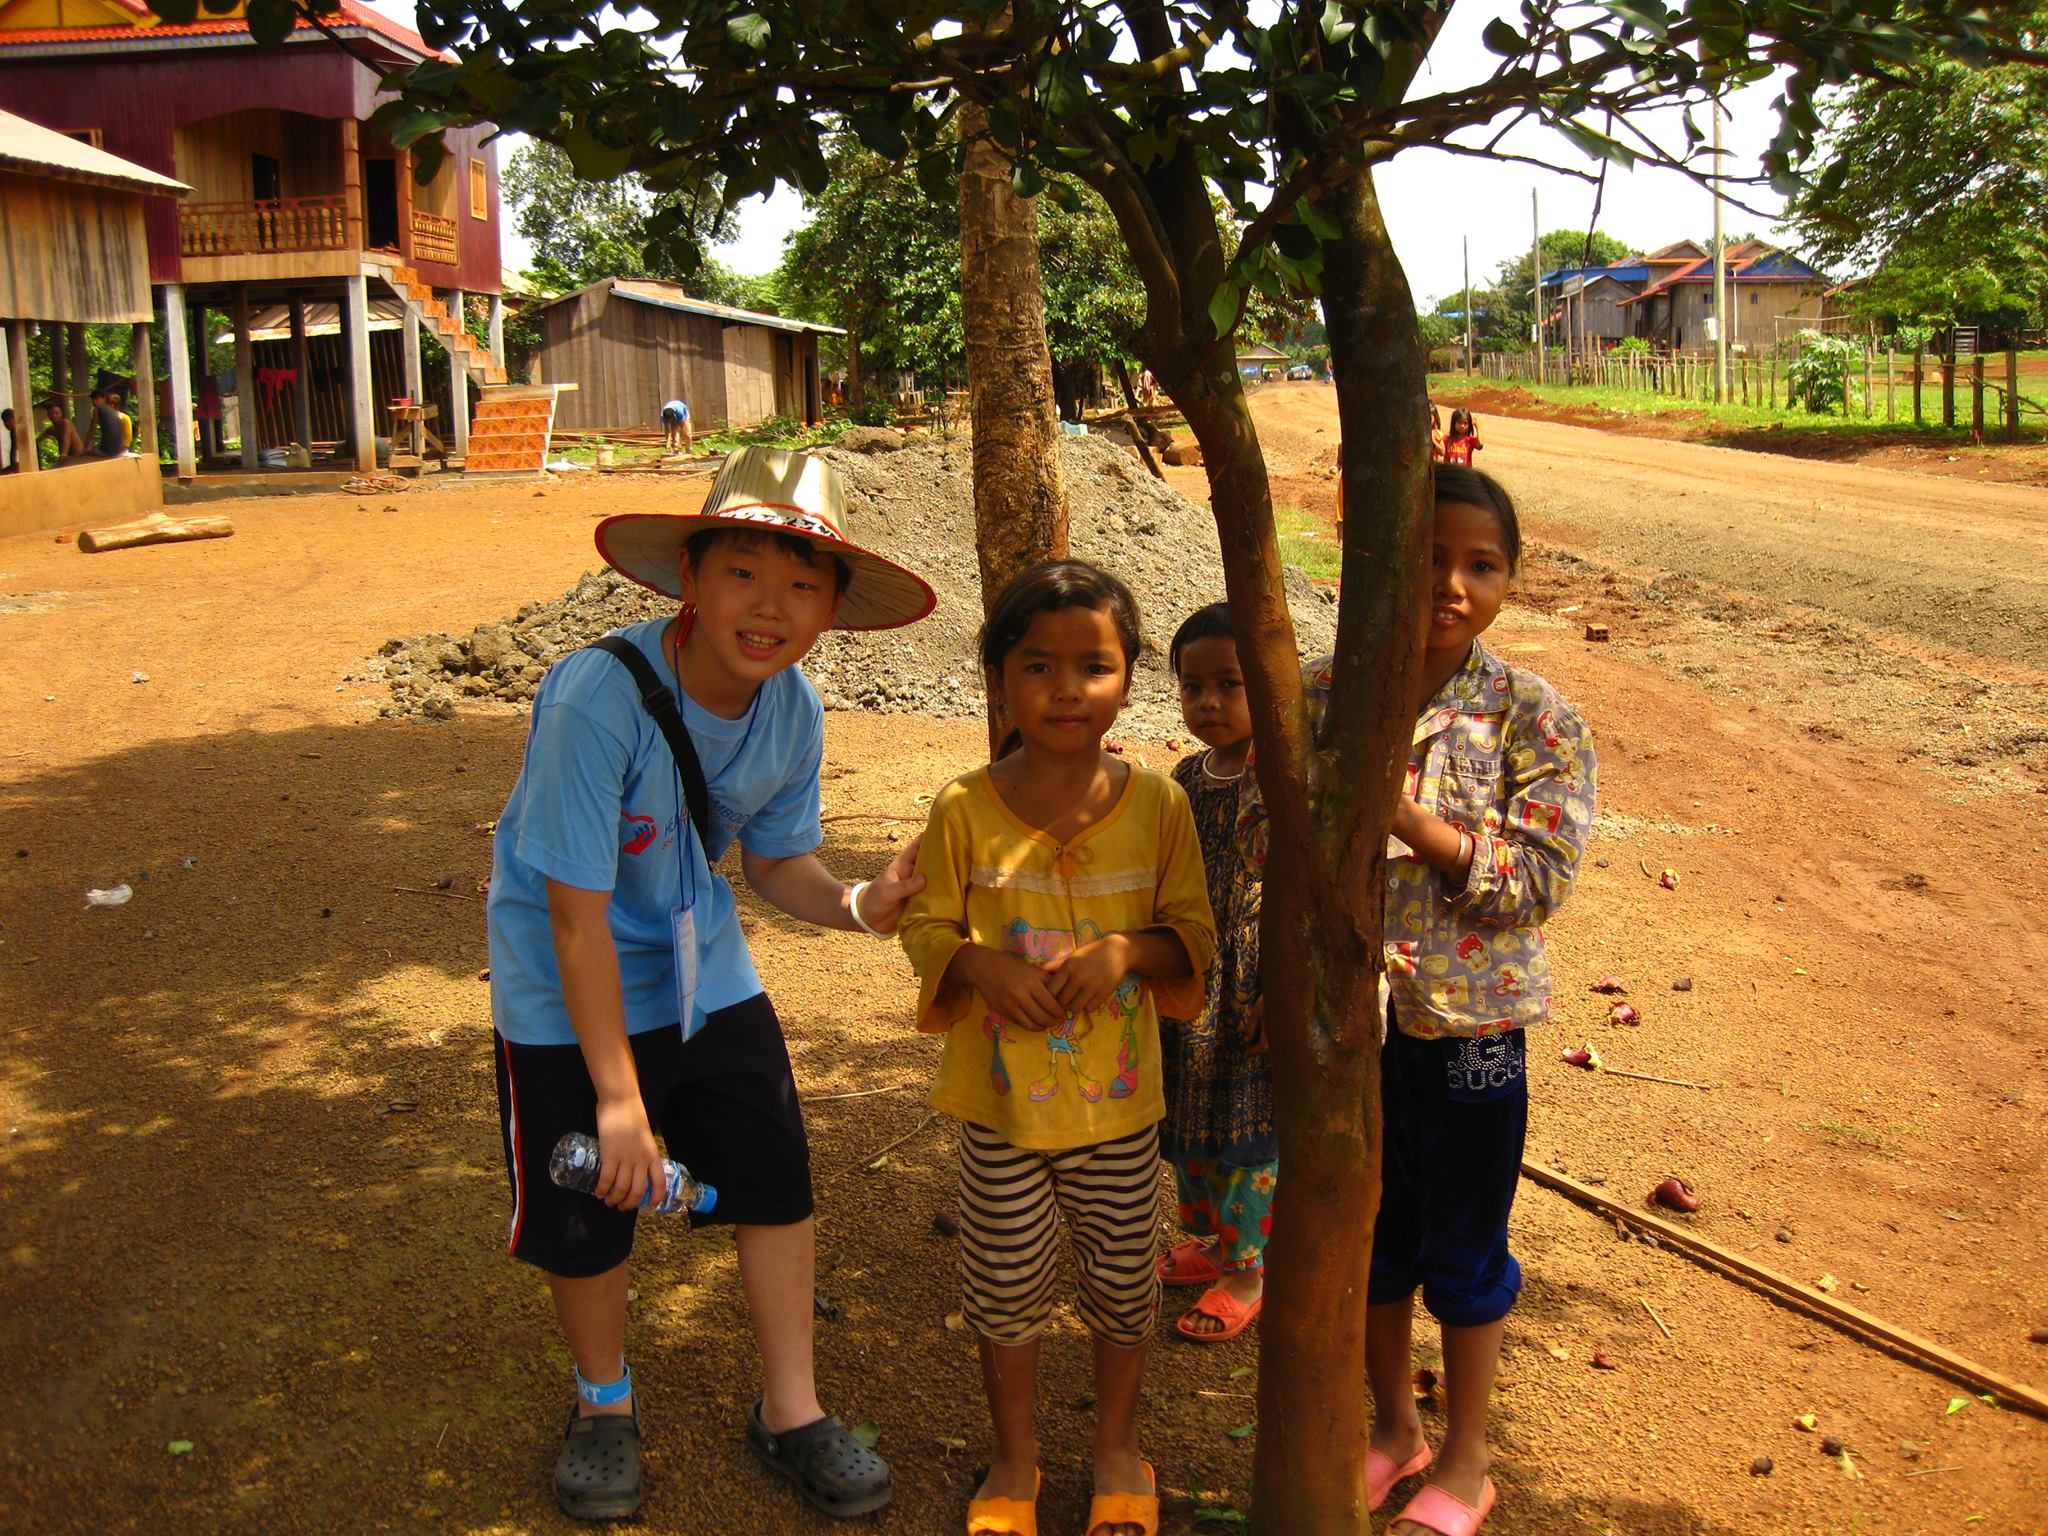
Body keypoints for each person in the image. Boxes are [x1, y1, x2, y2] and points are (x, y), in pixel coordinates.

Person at [486, 446, 937, 1523]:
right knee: (589, 1203)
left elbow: (774, 862)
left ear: (831, 609)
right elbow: (574, 917)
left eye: (801, 583)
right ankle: (602, 1403)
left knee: (773, 1172)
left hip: (702, 971)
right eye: (742, 572)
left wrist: (861, 903)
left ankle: (791, 1408)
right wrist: (619, 1100)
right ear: (689, 579)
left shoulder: (794, 712)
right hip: (565, 983)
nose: (769, 607)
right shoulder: (595, 698)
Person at [900, 560, 1215, 1536]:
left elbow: (1192, 936)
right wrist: (975, 965)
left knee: (1123, 1287)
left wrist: (1126, 951)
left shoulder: (1158, 806)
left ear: (1128, 678)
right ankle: (1014, 1459)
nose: (1066, 689)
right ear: (998, 681)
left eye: (1093, 666)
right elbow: (924, 925)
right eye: (1037, 666)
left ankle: (1119, 1449)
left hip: (1118, 1115)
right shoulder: (963, 807)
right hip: (999, 1113)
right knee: (1003, 1293)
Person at [1361, 465, 1597, 1536]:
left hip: (1469, 1030)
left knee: (1462, 1243)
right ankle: (1390, 1430)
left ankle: (1465, 1460)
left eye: (1480, 565)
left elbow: (1537, 881)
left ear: (1509, 579)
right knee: (1368, 1236)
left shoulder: (1533, 716)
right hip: (1345, 1023)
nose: (1451, 584)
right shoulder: (1326, 690)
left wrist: (1408, 822)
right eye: (1427, 558)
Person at [1156, 602, 1275, 1344]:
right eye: (1193, 686)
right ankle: (1209, 1242)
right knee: (1188, 1119)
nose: (1209, 703)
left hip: (1252, 986)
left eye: (1230, 685)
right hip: (1192, 982)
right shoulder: (1182, 778)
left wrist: (1281, 990)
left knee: (1245, 1131)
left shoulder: (1282, 777)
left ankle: (1248, 1271)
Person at [35, 398, 85, 462]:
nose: (54, 415)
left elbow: (66, 437)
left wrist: (63, 453)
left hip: (78, 456)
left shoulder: (65, 422)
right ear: (48, 415)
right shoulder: (52, 429)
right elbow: (38, 440)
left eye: (56, 413)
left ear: (61, 414)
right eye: (51, 413)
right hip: (67, 458)